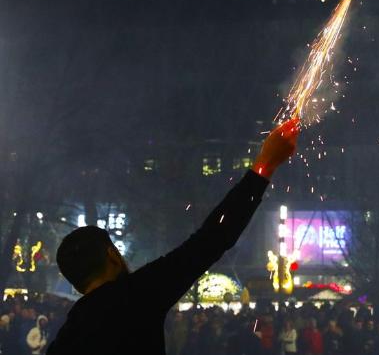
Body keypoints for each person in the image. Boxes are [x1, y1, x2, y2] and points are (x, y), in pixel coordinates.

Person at [46, 118, 300, 355]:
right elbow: (211, 239)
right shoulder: (134, 297)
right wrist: (265, 164)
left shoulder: (67, 337)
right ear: (112, 255)